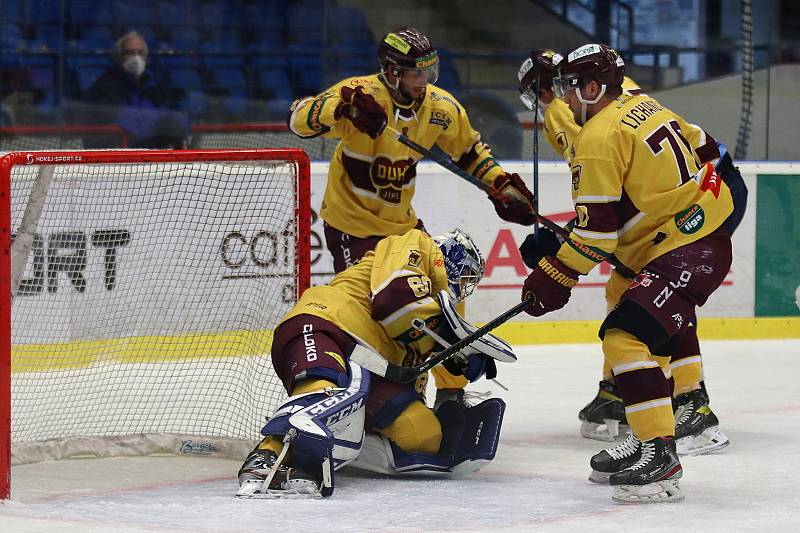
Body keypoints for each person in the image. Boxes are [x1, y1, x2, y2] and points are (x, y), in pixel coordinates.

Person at [519, 43, 737, 503]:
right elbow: (702, 147)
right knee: (634, 316)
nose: (565, 98)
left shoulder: (597, 137)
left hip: (684, 247)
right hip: (696, 229)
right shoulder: (644, 104)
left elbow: (599, 237)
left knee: (624, 336)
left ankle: (661, 455)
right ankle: (648, 434)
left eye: (569, 89)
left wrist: (552, 275)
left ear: (593, 88)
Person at [287, 26, 536, 405]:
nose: (424, 82)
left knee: (444, 295)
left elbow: (469, 151)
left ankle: (452, 392)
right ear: (391, 71)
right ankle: (380, 396)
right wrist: (341, 108)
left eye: (429, 72)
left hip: (402, 227)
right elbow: (298, 119)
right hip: (353, 230)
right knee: (381, 313)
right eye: (416, 74)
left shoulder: (440, 107)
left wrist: (500, 184)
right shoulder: (359, 95)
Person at [235, 227, 516, 498]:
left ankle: (322, 448)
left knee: (423, 434)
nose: (462, 286)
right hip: (328, 325)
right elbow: (394, 300)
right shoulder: (416, 244)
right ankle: (267, 455)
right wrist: (454, 342)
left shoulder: (425, 322)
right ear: (448, 257)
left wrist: (458, 358)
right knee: (324, 390)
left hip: (370, 364)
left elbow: (409, 369)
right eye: (464, 274)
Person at [84, 31, 189, 148]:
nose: (136, 58)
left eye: (140, 53)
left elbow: (173, 115)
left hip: (155, 153)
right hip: (123, 155)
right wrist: (155, 128)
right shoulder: (106, 85)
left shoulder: (155, 84)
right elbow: (114, 122)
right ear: (119, 56)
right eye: (130, 53)